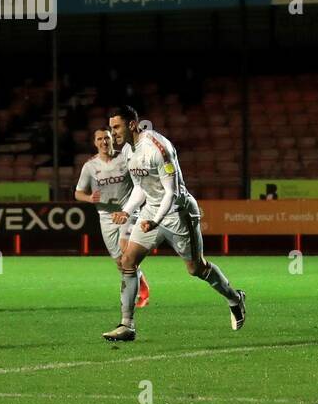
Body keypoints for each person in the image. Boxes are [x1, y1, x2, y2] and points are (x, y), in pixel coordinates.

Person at [103, 106, 246, 341]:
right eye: (111, 128)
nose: (113, 133)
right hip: (151, 211)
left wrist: (155, 221)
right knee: (127, 260)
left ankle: (234, 298)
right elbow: (141, 187)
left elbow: (170, 192)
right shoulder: (129, 150)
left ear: (131, 125)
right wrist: (127, 211)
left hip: (177, 213)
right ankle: (126, 325)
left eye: (116, 127)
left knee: (196, 268)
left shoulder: (158, 148)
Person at [75, 129, 151, 308]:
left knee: (126, 252)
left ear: (112, 140)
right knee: (119, 261)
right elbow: (78, 193)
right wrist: (89, 198)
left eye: (106, 138)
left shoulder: (125, 158)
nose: (104, 142)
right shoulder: (90, 166)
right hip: (106, 216)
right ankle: (142, 284)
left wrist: (131, 207)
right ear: (95, 143)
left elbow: (139, 183)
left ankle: (134, 296)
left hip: (127, 212)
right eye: (99, 139)